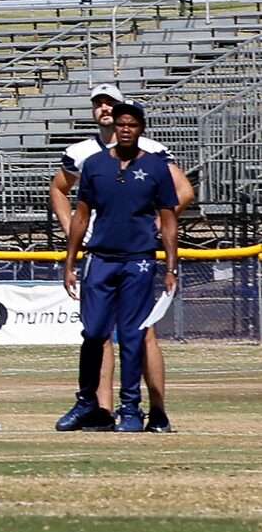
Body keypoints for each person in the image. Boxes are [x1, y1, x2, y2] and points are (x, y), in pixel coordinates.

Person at [53, 87, 191, 431]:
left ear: (140, 127)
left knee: (134, 334)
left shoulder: (156, 163)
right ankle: (90, 404)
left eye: (131, 123)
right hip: (100, 258)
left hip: (138, 260)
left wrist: (170, 263)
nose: (125, 128)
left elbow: (173, 210)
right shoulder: (93, 163)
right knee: (94, 332)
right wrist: (71, 259)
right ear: (113, 124)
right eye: (120, 123)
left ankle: (136, 409)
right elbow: (80, 211)